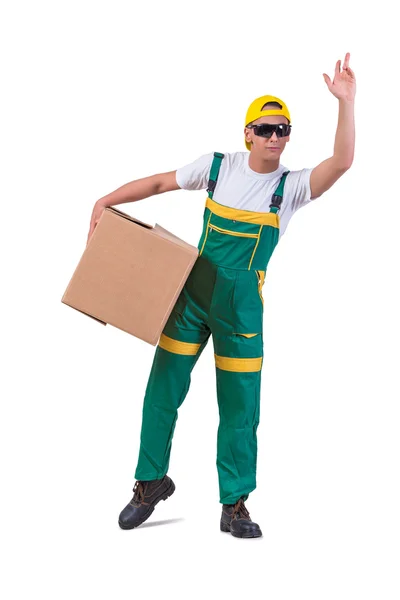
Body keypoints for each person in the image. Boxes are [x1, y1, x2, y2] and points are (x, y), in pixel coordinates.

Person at [87, 53, 356, 539]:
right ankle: (150, 483)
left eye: (284, 130)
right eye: (266, 128)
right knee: (162, 390)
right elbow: (157, 183)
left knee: (239, 408)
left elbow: (342, 162)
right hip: (190, 301)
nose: (276, 137)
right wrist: (106, 200)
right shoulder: (217, 168)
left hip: (241, 315)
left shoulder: (289, 189)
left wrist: (346, 104)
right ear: (248, 133)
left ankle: (234, 504)